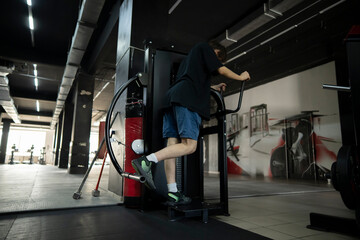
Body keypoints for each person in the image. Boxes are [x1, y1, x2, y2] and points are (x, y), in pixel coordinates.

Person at [132, 40, 250, 206]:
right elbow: (220, 68)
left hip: (173, 99)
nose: (217, 62)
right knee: (190, 146)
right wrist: (240, 77)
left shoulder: (192, 58)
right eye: (218, 58)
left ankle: (173, 192)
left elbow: (194, 78)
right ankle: (146, 161)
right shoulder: (204, 48)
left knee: (171, 147)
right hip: (187, 100)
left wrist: (212, 87)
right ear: (215, 52)